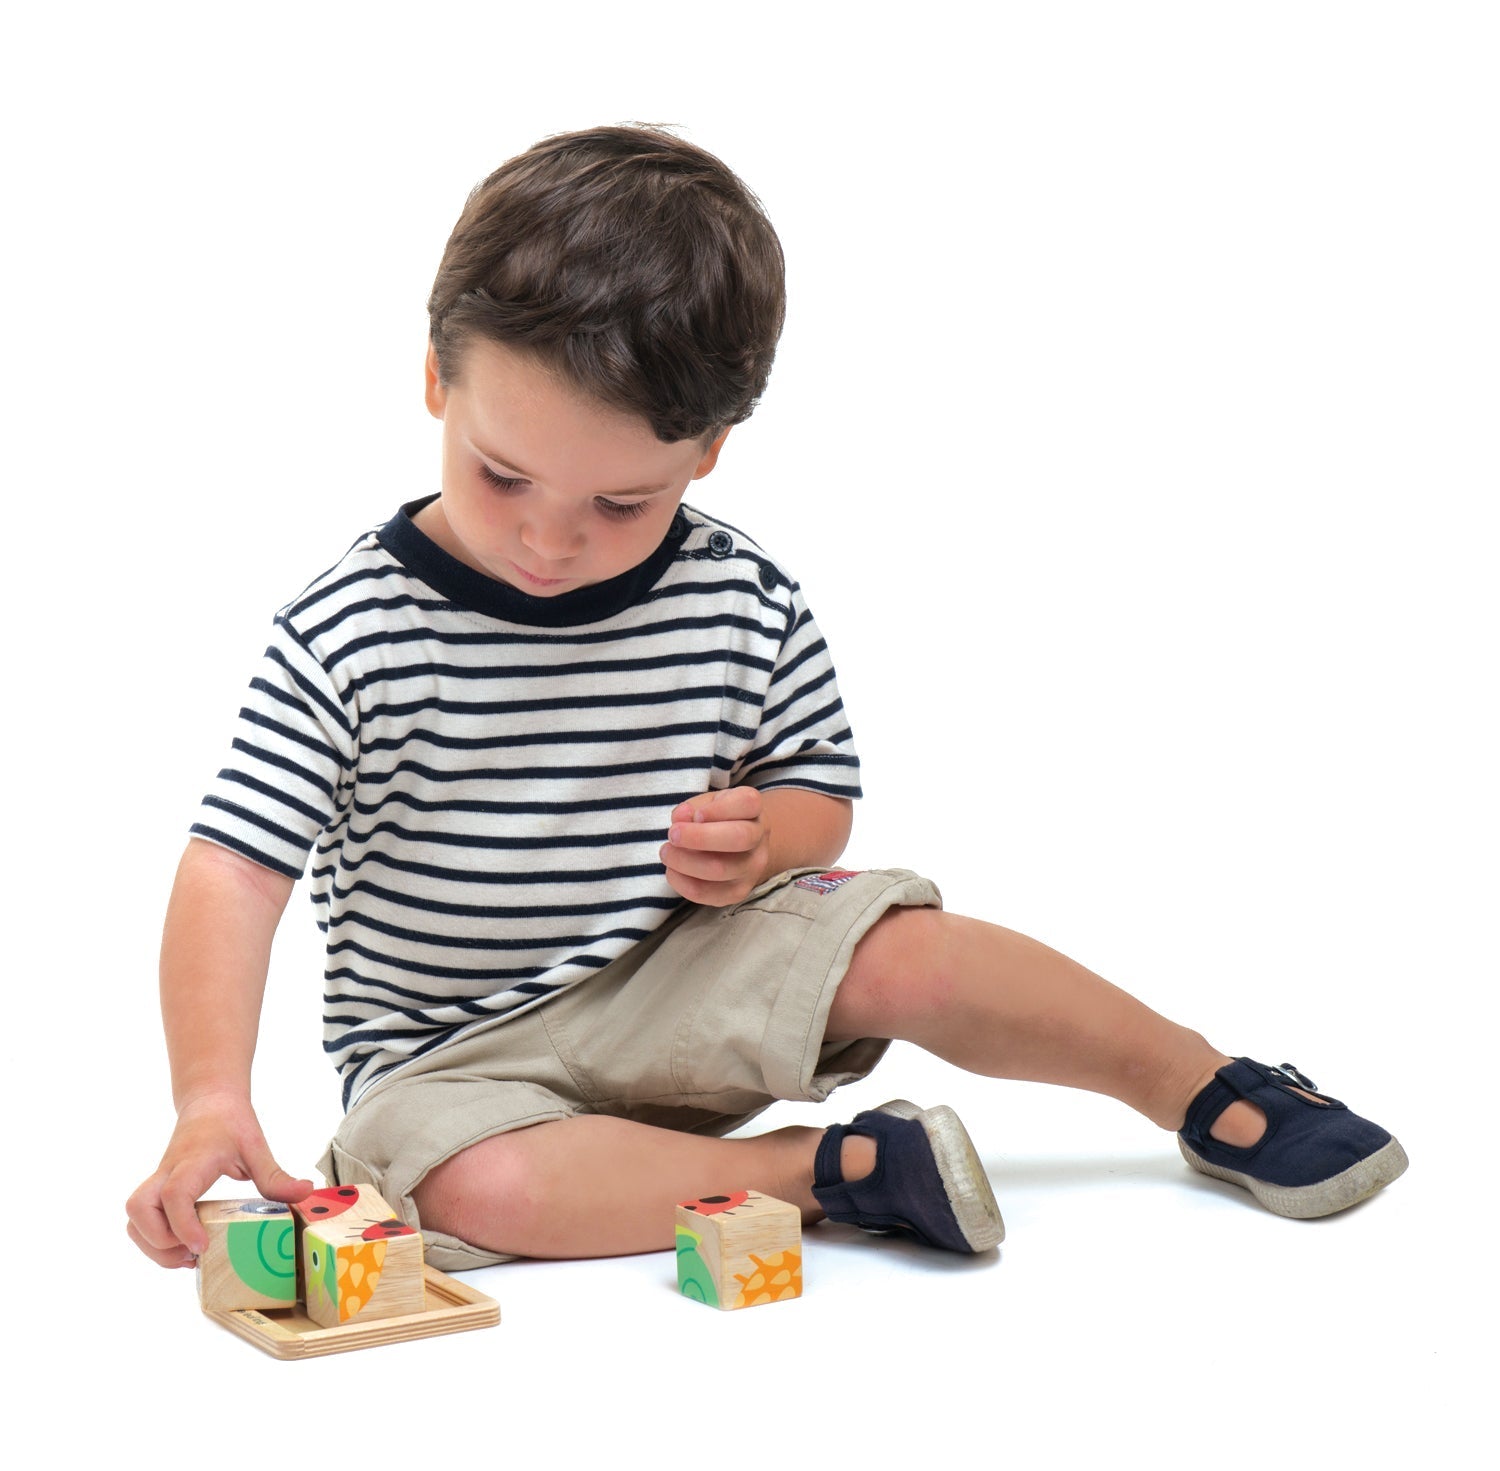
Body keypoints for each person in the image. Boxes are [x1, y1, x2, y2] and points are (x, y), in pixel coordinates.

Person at [126, 125, 1406, 1273]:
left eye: (623, 503)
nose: (551, 540)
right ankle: (835, 1175)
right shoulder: (346, 631)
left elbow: (820, 800)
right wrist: (207, 1094)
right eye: (502, 473)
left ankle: (1198, 1082)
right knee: (468, 1183)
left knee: (914, 947)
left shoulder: (741, 595)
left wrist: (769, 842)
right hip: (455, 1063)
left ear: (709, 451)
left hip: (686, 978)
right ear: (434, 382)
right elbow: (234, 870)